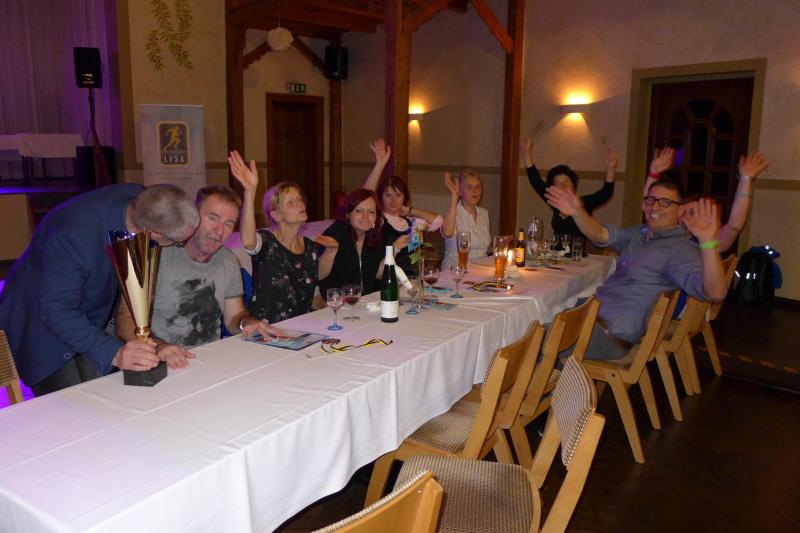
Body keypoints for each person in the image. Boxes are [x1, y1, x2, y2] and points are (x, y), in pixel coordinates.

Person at [0, 184, 200, 395]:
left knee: (107, 393)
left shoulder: (144, 202)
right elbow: (57, 311)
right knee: (74, 407)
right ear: (154, 234)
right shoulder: (72, 234)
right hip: (40, 322)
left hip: (83, 310)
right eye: (179, 243)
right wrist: (115, 353)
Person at [546, 178, 726, 360]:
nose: (655, 207)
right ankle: (561, 375)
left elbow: (715, 293)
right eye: (651, 200)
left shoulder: (680, 250)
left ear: (680, 211)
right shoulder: (640, 234)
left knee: (535, 344)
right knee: (538, 326)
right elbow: (601, 235)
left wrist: (707, 241)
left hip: (607, 336)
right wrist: (577, 212)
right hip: (588, 321)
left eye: (665, 202)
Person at [115, 185, 281, 369]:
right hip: (159, 364)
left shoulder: (228, 260)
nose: (219, 231)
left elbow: (234, 316)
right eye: (213, 218)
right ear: (193, 217)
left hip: (210, 361)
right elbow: (124, 321)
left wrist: (246, 323)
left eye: (228, 224)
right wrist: (158, 347)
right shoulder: (156, 254)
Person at [227, 150, 339, 324]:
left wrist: (332, 312)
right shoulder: (267, 243)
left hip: (302, 330)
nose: (300, 204)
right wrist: (250, 191)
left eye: (300, 199)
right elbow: (248, 241)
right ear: (276, 214)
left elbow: (315, 287)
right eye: (291, 202)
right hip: (266, 330)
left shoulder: (309, 246)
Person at [645, 147, 769, 252]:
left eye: (695, 213)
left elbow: (734, 225)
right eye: (685, 211)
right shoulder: (664, 231)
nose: (687, 217)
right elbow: (649, 206)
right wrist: (653, 173)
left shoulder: (710, 243)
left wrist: (745, 179)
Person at [363, 138, 443, 274]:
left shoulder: (412, 224)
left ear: (404, 197)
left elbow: (438, 221)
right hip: (387, 278)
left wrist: (409, 210)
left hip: (412, 279)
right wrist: (380, 164)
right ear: (381, 198)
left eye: (398, 195)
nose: (393, 200)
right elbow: (365, 197)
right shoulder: (379, 220)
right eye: (388, 195)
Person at [523, 136, 618, 239]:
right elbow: (536, 181)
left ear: (573, 185)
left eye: (566, 181)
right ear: (553, 189)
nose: (563, 186)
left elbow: (606, 193)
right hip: (555, 249)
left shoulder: (585, 203)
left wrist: (610, 168)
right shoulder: (556, 203)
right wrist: (526, 152)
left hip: (578, 249)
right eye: (558, 183)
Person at [319, 188, 408, 296]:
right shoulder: (336, 233)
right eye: (359, 211)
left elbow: (379, 274)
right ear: (348, 214)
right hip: (337, 301)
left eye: (371, 212)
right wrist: (331, 250)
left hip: (365, 301)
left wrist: (395, 248)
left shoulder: (373, 235)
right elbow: (318, 274)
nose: (365, 216)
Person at [440, 170, 492, 270]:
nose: (475, 191)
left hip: (481, 270)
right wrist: (454, 196)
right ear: (460, 191)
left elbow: (484, 247)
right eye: (469, 187)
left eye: (478, 187)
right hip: (456, 271)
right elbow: (447, 233)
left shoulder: (484, 213)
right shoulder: (453, 211)